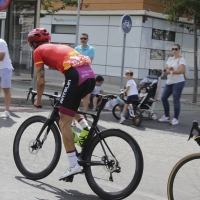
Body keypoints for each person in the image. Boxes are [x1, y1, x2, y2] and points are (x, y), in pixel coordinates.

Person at [27, 28, 95, 180]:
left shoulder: (38, 51)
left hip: (75, 76)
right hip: (89, 76)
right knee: (67, 106)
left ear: (34, 43)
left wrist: (38, 100)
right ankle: (86, 129)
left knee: (64, 123)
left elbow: (40, 80)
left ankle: (73, 165)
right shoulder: (60, 46)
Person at [158, 44, 186, 125]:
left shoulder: (181, 59)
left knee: (176, 100)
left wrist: (171, 71)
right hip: (169, 82)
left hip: (178, 82)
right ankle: (167, 116)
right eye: (173, 49)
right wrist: (168, 70)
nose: (174, 50)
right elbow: (166, 70)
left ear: (179, 50)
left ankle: (176, 119)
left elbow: (181, 71)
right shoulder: (170, 59)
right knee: (163, 98)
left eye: (176, 49)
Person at [75, 33, 95, 118]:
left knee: (86, 94)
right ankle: (75, 111)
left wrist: (80, 59)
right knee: (76, 93)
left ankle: (84, 113)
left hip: (86, 72)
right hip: (77, 72)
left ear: (87, 40)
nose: (83, 40)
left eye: (85, 38)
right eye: (81, 38)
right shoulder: (76, 48)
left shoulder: (91, 49)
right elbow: (73, 60)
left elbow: (89, 61)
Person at [0, 38, 13, 118]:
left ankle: (7, 111)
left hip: (5, 69)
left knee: (6, 89)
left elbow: (1, 57)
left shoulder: (1, 42)